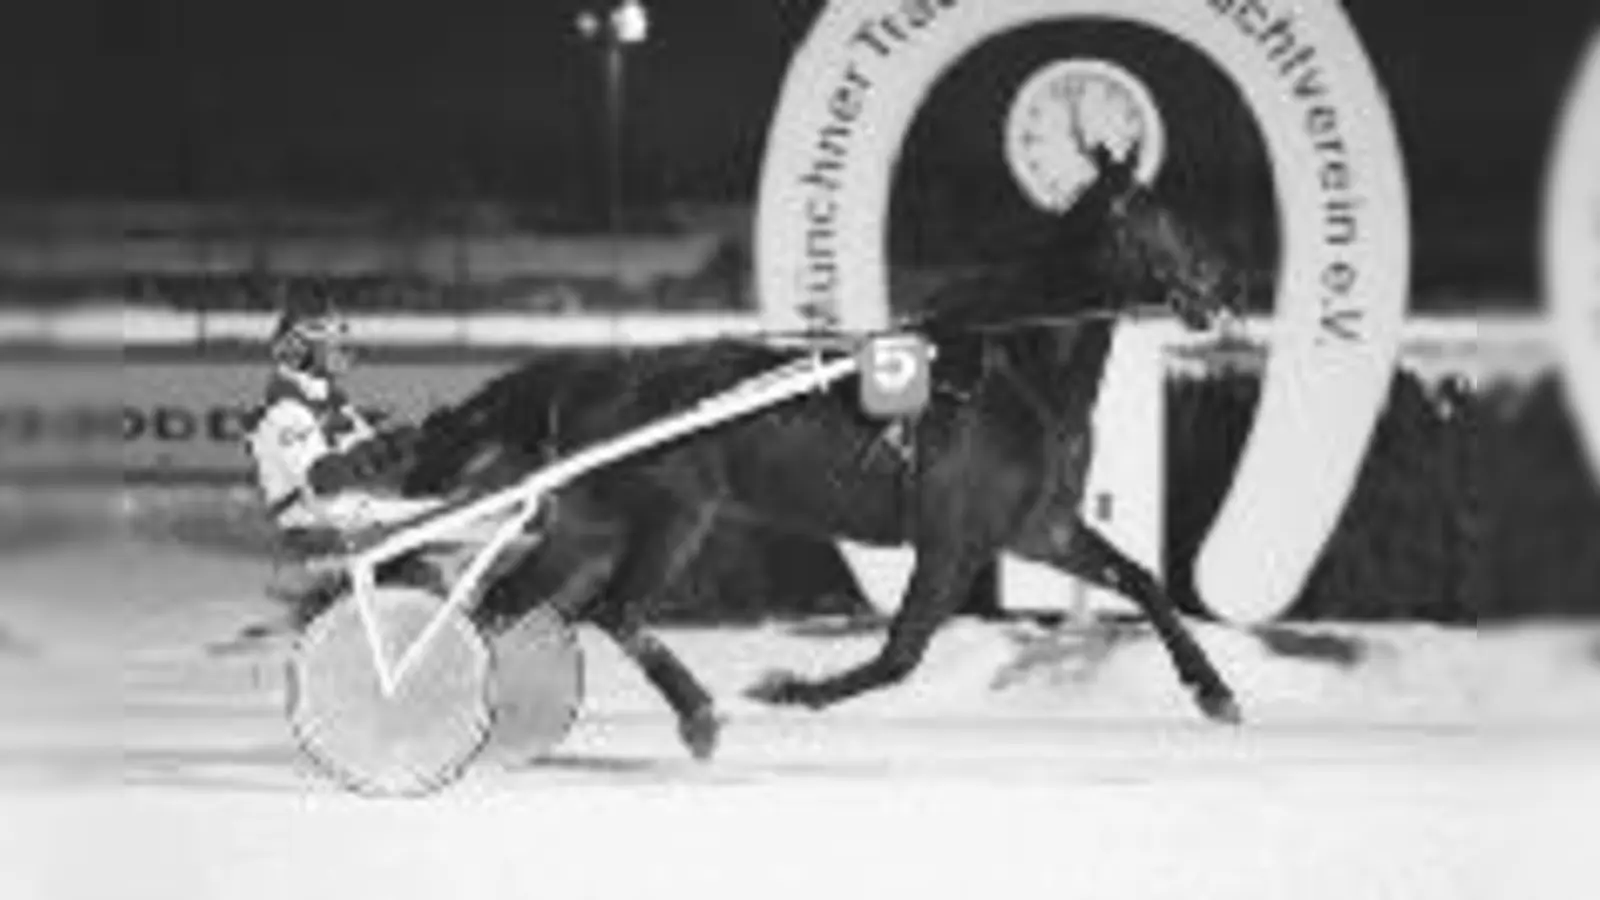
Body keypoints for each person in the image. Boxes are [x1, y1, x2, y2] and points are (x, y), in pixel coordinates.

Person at [240, 300, 441, 634]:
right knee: (442, 522)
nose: (344, 354)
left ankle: (333, 603)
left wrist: (414, 444)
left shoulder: (331, 402)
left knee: (445, 513)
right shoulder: (287, 411)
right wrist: (386, 450)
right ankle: (339, 608)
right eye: (331, 348)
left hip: (351, 509)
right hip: (319, 520)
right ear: (299, 352)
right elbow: (324, 480)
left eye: (342, 346)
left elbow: (366, 455)